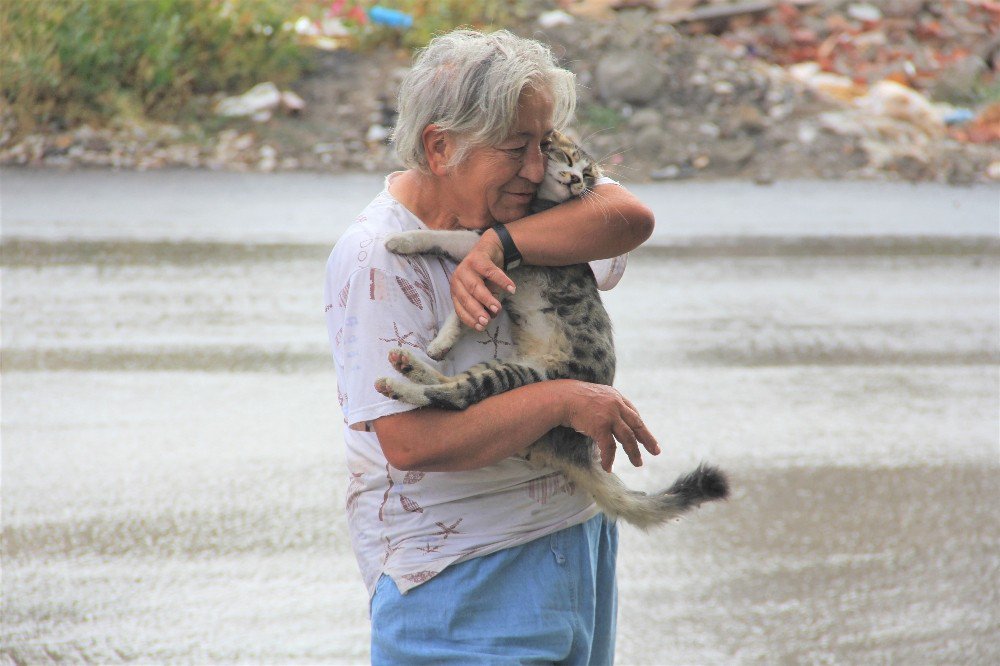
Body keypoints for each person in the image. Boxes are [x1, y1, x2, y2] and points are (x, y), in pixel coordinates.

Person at [324, 29, 659, 664]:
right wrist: (562, 399)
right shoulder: (378, 258)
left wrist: (499, 243)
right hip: (462, 580)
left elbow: (631, 216)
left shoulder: (525, 214)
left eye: (543, 143)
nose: (537, 169)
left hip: (576, 545)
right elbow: (410, 442)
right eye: (514, 150)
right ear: (440, 147)